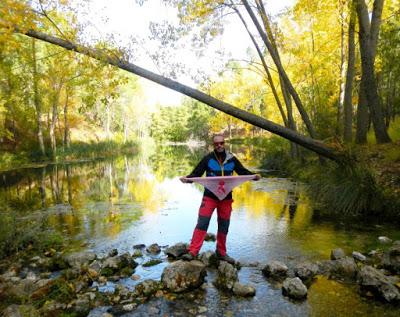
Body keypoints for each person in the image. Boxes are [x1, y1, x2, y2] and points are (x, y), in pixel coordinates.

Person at [180, 134, 260, 263]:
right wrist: (187, 179)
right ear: (213, 145)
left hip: (226, 199)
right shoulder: (208, 159)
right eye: (216, 144)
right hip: (209, 197)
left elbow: (242, 171)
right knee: (202, 223)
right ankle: (193, 252)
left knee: (224, 225)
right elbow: (196, 173)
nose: (219, 146)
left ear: (224, 143)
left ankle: (221, 252)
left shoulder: (232, 159)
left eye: (221, 143)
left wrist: (253, 176)